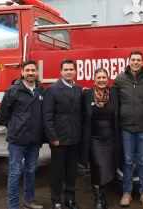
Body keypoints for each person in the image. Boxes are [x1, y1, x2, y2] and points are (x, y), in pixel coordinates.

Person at [0, 60, 45, 209]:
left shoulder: (40, 90)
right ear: (22, 72)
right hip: (17, 141)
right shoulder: (12, 91)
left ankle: (29, 201)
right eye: (27, 70)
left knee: (30, 170)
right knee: (14, 173)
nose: (30, 73)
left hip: (34, 140)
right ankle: (13, 205)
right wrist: (14, 128)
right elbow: (3, 115)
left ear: (37, 73)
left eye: (33, 70)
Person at [113, 50, 143, 207]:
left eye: (139, 60)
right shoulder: (120, 79)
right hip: (126, 128)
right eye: (133, 60)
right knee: (128, 161)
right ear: (129, 61)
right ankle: (127, 193)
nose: (136, 62)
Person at [43, 59, 83, 209]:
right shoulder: (52, 90)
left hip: (75, 137)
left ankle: (70, 199)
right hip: (59, 138)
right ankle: (56, 200)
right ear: (61, 72)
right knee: (57, 172)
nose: (68, 72)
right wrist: (52, 137)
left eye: (71, 69)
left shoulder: (79, 89)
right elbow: (47, 116)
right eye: (66, 69)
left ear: (75, 71)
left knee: (72, 170)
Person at [80, 68, 120, 209]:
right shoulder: (86, 94)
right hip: (94, 138)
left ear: (108, 79)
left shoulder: (114, 93)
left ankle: (103, 196)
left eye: (104, 77)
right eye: (99, 78)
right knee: (98, 167)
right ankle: (98, 198)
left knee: (108, 167)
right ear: (94, 79)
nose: (101, 80)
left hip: (110, 138)